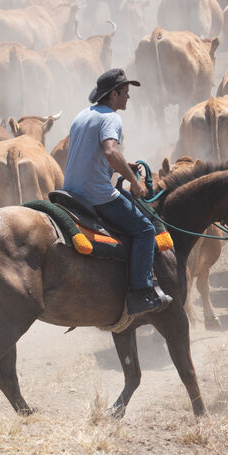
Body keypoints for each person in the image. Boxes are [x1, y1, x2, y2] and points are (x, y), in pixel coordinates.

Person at [62, 68, 172, 317]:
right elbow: (110, 151)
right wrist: (135, 182)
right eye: (125, 92)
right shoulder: (111, 118)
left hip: (71, 190)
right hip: (95, 194)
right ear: (114, 94)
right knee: (145, 230)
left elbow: (92, 154)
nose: (128, 97)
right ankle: (141, 292)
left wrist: (122, 165)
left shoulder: (82, 115)